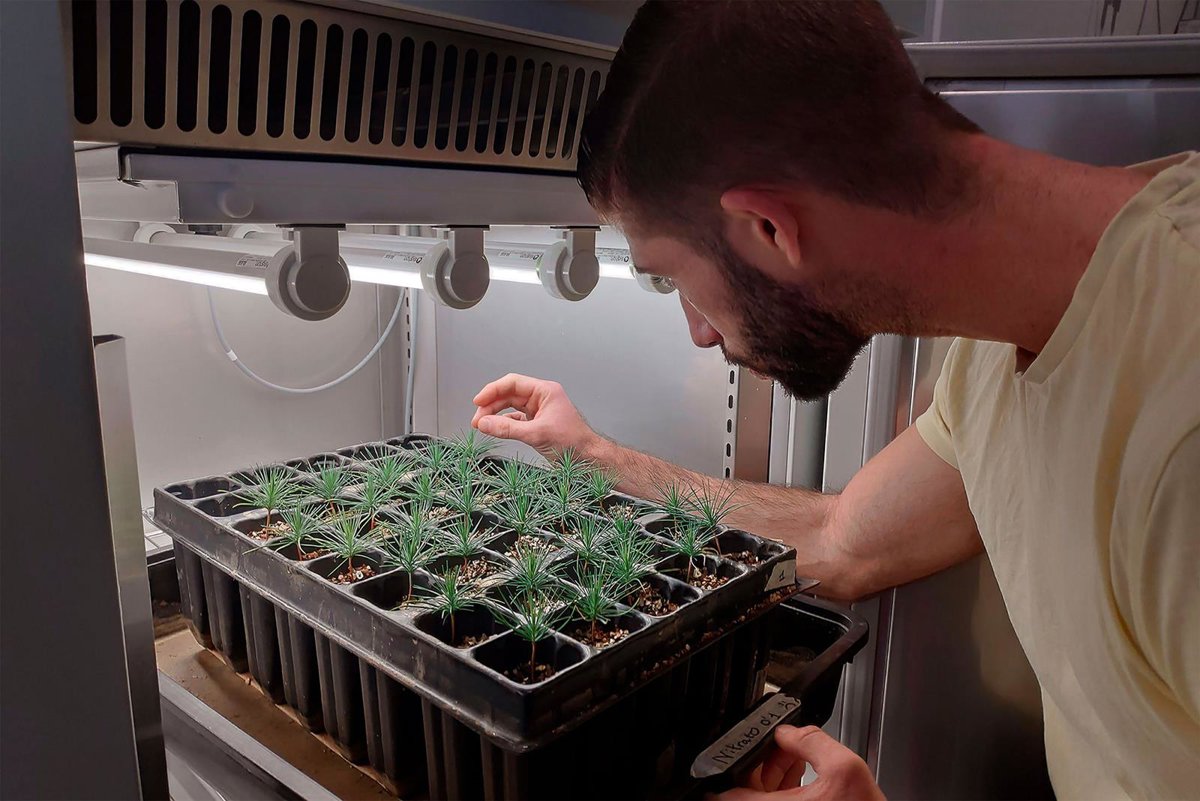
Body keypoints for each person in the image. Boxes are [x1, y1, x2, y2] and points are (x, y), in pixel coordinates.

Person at [470, 1, 1200, 798]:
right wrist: (594, 456)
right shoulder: (1004, 342)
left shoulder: (1179, 418)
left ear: (769, 228)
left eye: (673, 276)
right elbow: (844, 541)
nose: (699, 332)